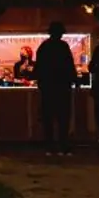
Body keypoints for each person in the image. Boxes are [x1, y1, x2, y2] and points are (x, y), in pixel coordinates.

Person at [35, 22, 76, 155]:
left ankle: (50, 146)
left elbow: (38, 68)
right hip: (63, 87)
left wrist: (40, 82)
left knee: (48, 118)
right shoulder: (63, 47)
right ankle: (63, 145)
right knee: (63, 118)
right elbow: (70, 66)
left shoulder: (44, 47)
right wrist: (74, 80)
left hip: (48, 87)